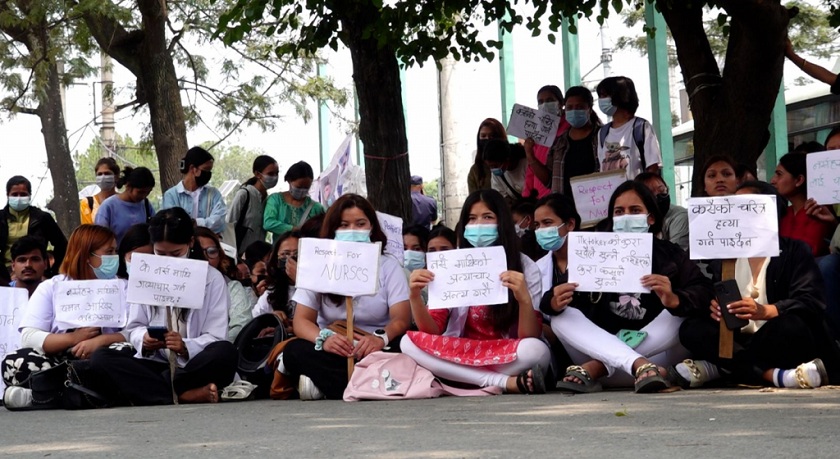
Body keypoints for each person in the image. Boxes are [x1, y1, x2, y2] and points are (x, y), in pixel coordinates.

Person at [542, 181, 713, 393]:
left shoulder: (670, 254)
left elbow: (704, 291)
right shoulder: (594, 251)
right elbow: (551, 302)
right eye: (619, 212)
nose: (626, 217)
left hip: (645, 361)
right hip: (625, 362)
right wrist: (553, 300)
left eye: (635, 211)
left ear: (650, 217)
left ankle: (603, 366)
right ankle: (632, 362)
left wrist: (674, 298)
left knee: (679, 314)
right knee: (561, 318)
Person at [677, 181, 840, 389]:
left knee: (791, 327)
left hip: (775, 336)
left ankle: (720, 368)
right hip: (739, 339)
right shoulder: (726, 256)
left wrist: (767, 311)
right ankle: (773, 376)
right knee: (691, 329)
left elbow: (811, 302)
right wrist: (716, 308)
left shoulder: (794, 251)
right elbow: (717, 297)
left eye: (745, 207)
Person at [401, 189, 550, 394]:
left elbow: (529, 335)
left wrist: (523, 299)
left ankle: (464, 378)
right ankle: (503, 382)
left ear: (502, 223)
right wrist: (415, 297)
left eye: (487, 217)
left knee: (536, 350)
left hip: (505, 353)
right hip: (462, 350)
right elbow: (432, 330)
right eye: (472, 219)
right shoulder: (453, 263)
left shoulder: (525, 267)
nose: (478, 225)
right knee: (407, 342)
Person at [89, 207, 237, 405]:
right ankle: (182, 395)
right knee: (101, 358)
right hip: (155, 363)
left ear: (190, 243)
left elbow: (217, 336)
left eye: (176, 254)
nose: (168, 262)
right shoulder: (142, 275)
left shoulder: (213, 279)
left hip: (194, 365)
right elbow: (134, 328)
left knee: (225, 352)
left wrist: (185, 347)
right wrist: (145, 339)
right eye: (160, 253)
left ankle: (165, 389)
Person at [279, 194, 411, 400]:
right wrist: (324, 340)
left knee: (408, 344)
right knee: (294, 350)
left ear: (372, 228)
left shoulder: (388, 266)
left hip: (377, 348)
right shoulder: (317, 265)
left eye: (360, 224)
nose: (352, 231)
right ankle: (371, 384)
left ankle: (332, 385)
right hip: (334, 349)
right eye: (344, 225)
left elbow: (401, 318)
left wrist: (380, 337)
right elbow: (301, 321)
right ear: (332, 231)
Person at [2, 225, 125, 408]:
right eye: (109, 252)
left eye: (115, 251)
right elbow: (29, 336)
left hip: (104, 357)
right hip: (60, 363)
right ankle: (82, 393)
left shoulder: (122, 287)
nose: (114, 257)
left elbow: (135, 332)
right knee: (15, 362)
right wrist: (73, 338)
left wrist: (101, 341)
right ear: (86, 255)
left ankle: (44, 396)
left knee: (127, 352)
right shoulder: (51, 287)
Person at [530, 86, 602, 196]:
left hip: (595, 204)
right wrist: (529, 154)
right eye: (570, 107)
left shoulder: (602, 137)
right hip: (563, 208)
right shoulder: (559, 142)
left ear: (590, 109)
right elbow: (549, 181)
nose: (574, 111)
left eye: (580, 107)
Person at [1, 176, 67, 283]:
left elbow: (62, 245)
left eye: (23, 194)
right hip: (5, 274)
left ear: (29, 195)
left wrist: (52, 272)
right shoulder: (1, 219)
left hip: (37, 272)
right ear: (7, 195)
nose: (19, 198)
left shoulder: (42, 218)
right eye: (14, 194)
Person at [771, 153, 836, 257]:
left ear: (799, 180)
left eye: (779, 174)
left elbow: (810, 252)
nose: (772, 180)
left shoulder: (818, 212)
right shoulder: (785, 213)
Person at [596, 76, 662, 179]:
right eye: (600, 96)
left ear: (620, 96)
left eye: (605, 95)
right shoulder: (602, 132)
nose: (601, 100)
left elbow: (653, 167)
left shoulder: (642, 127)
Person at [194, 227, 252, 342]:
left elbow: (241, 325)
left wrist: (211, 346)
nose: (205, 257)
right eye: (199, 252)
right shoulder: (180, 286)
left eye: (211, 251)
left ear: (219, 254)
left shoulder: (232, 287)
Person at [162, 146, 227, 234]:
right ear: (193, 168)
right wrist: (205, 224)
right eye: (206, 170)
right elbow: (173, 223)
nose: (209, 174)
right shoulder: (171, 195)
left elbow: (219, 222)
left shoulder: (213, 193)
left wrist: (195, 223)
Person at [523, 85, 571, 199]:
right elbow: (531, 169)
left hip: (561, 196)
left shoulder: (570, 127)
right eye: (540, 101)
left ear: (561, 103)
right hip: (540, 198)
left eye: (549, 100)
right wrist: (526, 197)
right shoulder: (537, 131)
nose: (544, 104)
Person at [225, 155, 278, 256]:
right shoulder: (244, 194)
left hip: (259, 256)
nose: (275, 177)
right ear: (257, 174)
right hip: (240, 255)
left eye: (277, 173)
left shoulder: (269, 200)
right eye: (270, 174)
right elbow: (229, 226)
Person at [252, 231, 301, 336]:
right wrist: (271, 319)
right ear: (276, 259)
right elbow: (254, 321)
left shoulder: (315, 289)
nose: (291, 259)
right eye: (285, 254)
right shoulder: (272, 290)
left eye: (297, 254)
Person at [263, 161, 325, 241]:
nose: (302, 190)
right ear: (289, 181)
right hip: (281, 251)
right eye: (299, 187)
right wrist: (293, 229)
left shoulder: (316, 208)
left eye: (306, 187)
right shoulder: (275, 200)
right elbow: (268, 223)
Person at [95, 167, 156, 244]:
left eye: (147, 193)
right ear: (128, 186)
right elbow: (100, 238)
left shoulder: (146, 205)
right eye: (140, 192)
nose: (144, 196)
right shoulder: (108, 206)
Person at [635, 172, 689, 251]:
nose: (659, 196)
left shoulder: (679, 216)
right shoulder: (636, 220)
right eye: (651, 193)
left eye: (662, 190)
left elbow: (675, 255)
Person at [468, 118, 508, 195]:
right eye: (483, 136)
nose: (488, 139)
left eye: (492, 136)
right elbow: (474, 200)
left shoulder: (513, 164)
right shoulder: (475, 171)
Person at [484, 140, 527, 205]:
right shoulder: (497, 175)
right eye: (490, 167)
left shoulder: (526, 164)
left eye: (495, 166)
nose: (493, 169)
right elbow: (501, 195)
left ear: (507, 159)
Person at [80, 158, 120, 225]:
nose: (103, 177)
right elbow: (88, 232)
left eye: (107, 173)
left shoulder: (125, 202)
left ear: (116, 176)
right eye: (99, 174)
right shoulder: (88, 203)